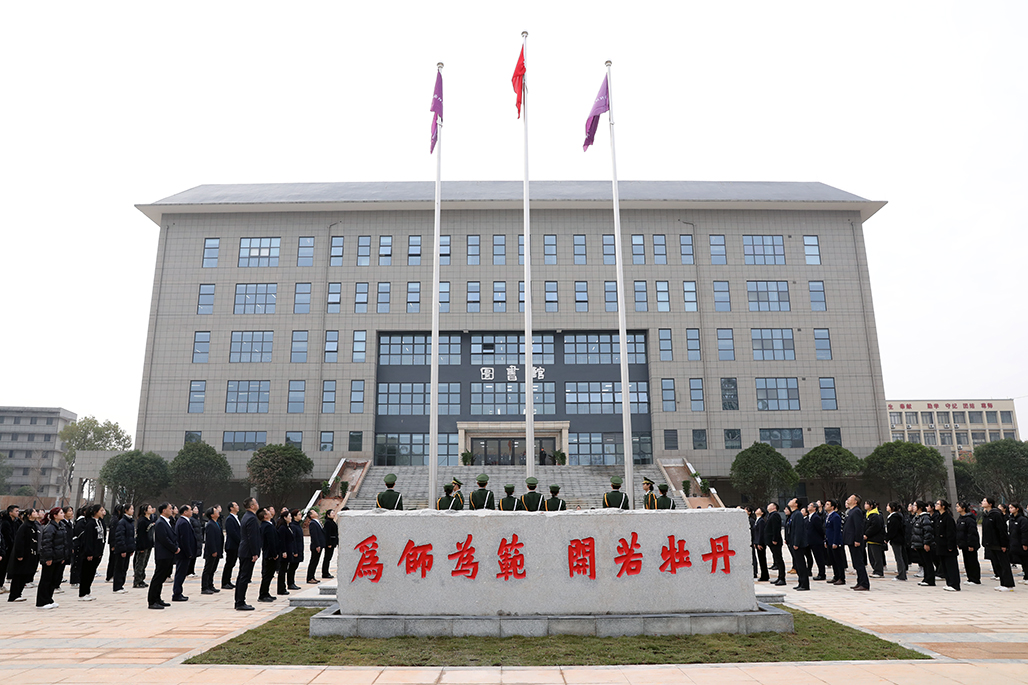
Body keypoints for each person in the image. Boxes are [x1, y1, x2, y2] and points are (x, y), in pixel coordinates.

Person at [36, 507, 68, 609]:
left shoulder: (61, 526)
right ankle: (41, 602)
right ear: (55, 515)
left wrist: (63, 556)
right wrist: (48, 558)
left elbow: (63, 543)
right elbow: (46, 544)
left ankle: (49, 599)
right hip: (50, 558)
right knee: (46, 579)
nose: (63, 514)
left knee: (54, 580)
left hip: (58, 558)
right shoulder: (50, 528)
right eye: (61, 513)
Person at [148, 502, 178, 610]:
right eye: (170, 508)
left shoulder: (168, 522)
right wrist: (174, 548)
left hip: (168, 554)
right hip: (163, 554)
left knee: (162, 578)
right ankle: (152, 600)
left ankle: (157, 598)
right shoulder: (160, 523)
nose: (172, 510)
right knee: (158, 577)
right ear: (164, 511)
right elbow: (164, 539)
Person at [982, 496, 1015, 591]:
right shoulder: (986, 514)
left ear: (990, 503)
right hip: (990, 544)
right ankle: (1003, 583)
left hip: (999, 544)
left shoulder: (996, 514)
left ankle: (1008, 584)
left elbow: (1002, 530)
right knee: (997, 564)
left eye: (984, 501)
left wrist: (1004, 544)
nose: (982, 502)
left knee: (1004, 564)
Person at [234, 497, 261, 610]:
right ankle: (240, 602)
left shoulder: (247, 516)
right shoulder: (251, 518)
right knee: (244, 577)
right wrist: (255, 553)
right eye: (256, 503)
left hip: (244, 550)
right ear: (252, 506)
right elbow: (252, 537)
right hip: (248, 551)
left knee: (242, 576)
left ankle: (239, 601)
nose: (257, 504)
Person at [78, 504, 105, 601]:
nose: (103, 512)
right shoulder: (90, 524)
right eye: (101, 510)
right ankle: (82, 593)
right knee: (86, 573)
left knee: (91, 573)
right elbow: (88, 540)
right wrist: (89, 553)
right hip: (90, 553)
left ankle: (87, 592)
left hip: (97, 552)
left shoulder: (100, 522)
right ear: (95, 512)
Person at [843, 494, 869, 591]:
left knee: (859, 563)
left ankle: (864, 583)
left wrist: (857, 540)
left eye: (850, 498)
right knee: (856, 563)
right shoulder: (851, 511)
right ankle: (860, 581)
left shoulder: (857, 511)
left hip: (855, 541)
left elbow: (859, 527)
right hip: (851, 540)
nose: (848, 499)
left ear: (855, 501)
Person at [934, 499, 960, 591]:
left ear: (943, 506)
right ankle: (949, 583)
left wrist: (950, 546)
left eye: (938, 504)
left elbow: (951, 534)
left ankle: (955, 584)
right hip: (941, 546)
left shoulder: (948, 518)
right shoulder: (939, 517)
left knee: (951, 566)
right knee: (945, 566)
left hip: (947, 546)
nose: (935, 505)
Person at [172, 504, 195, 601]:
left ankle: (178, 592)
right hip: (183, 553)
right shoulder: (184, 522)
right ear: (185, 512)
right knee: (180, 573)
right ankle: (177, 593)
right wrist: (189, 552)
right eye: (190, 510)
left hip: (183, 553)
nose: (192, 511)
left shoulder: (183, 521)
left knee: (181, 572)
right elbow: (185, 540)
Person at [112, 503, 136, 593]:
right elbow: (120, 536)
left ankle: (121, 585)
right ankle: (117, 586)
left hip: (128, 549)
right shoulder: (122, 522)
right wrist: (122, 549)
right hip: (122, 550)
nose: (133, 510)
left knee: (124, 568)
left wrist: (131, 548)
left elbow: (131, 537)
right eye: (131, 509)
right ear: (125, 510)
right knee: (119, 568)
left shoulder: (130, 521)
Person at [955, 501, 981, 584]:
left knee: (972, 561)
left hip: (970, 544)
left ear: (963, 508)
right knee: (967, 561)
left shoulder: (969, 519)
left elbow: (972, 533)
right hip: (963, 544)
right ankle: (970, 578)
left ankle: (975, 579)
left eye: (958, 506)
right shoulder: (960, 518)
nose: (956, 508)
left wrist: (971, 544)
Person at [911, 501, 936, 587]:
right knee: (924, 562)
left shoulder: (925, 517)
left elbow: (928, 531)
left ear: (920, 507)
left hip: (924, 544)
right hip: (919, 544)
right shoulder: (917, 517)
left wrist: (927, 543)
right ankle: (926, 578)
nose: (913, 507)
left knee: (928, 562)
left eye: (914, 506)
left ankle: (930, 579)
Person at [787, 498, 809, 591]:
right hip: (793, 543)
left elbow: (798, 530)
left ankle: (804, 584)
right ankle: (801, 582)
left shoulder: (798, 514)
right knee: (798, 564)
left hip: (798, 544)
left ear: (796, 504)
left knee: (801, 564)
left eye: (793, 500)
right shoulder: (793, 514)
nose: (790, 501)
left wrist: (796, 543)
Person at [259, 508, 279, 602]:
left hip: (269, 553)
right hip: (270, 554)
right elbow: (271, 541)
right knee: (267, 575)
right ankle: (263, 595)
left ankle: (266, 592)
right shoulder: (267, 526)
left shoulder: (268, 524)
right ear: (265, 516)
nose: (270, 513)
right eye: (267, 512)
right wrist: (274, 554)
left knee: (269, 575)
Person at [201, 507, 223, 594]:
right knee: (208, 569)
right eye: (216, 511)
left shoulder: (216, 523)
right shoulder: (210, 524)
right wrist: (213, 550)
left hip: (217, 549)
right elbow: (210, 539)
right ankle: (205, 587)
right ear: (212, 515)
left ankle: (210, 585)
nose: (218, 512)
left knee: (213, 569)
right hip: (211, 551)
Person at [133, 504, 155, 588]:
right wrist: (140, 547)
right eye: (149, 508)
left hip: (148, 545)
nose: (151, 509)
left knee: (144, 563)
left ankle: (141, 579)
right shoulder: (142, 521)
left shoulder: (149, 519)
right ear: (145, 511)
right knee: (140, 563)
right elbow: (140, 535)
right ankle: (137, 581)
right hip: (143, 546)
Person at [885, 502, 907, 581]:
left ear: (893, 508)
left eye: (888, 506)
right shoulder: (894, 517)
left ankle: (901, 575)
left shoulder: (894, 517)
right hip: (897, 539)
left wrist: (887, 538)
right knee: (899, 557)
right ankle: (902, 574)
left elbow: (892, 530)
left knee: (899, 557)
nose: (886, 507)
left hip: (897, 540)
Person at [824, 500, 845, 584]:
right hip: (829, 541)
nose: (826, 506)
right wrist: (826, 540)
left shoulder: (835, 516)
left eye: (828, 504)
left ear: (832, 507)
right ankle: (836, 576)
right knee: (833, 560)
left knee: (838, 560)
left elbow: (837, 530)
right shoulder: (828, 516)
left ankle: (841, 577)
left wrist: (835, 542)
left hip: (835, 541)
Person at [863, 499, 886, 578]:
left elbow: (875, 527)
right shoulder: (868, 514)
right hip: (870, 540)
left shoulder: (875, 515)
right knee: (871, 556)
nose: (865, 505)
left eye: (867, 504)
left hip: (875, 539)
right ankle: (875, 570)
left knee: (877, 556)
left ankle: (879, 571)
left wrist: (867, 534)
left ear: (871, 506)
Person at [765, 502, 785, 586]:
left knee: (779, 559)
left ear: (774, 507)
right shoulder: (770, 515)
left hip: (775, 541)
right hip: (771, 541)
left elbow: (776, 528)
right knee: (777, 560)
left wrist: (775, 539)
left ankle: (782, 578)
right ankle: (779, 577)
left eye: (770, 505)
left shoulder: (775, 515)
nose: (768, 506)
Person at [221, 501, 240, 590]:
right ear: (231, 508)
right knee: (229, 564)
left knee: (232, 564)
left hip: (235, 545)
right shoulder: (230, 519)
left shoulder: (236, 518)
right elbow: (232, 533)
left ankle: (228, 581)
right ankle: (225, 582)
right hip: (232, 545)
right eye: (235, 505)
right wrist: (240, 541)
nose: (238, 506)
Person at [0, 506, 18, 595]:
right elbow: (6, 537)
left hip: (10, 548)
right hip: (6, 548)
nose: (18, 513)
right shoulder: (5, 523)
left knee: (4, 568)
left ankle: (1, 585)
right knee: (2, 567)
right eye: (16, 511)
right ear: (10, 512)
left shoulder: (14, 522)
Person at [1008, 502, 1028, 584]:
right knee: (1022, 561)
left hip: (1021, 543)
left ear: (1017, 509)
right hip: (1014, 542)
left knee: (1026, 560)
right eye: (1009, 508)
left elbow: (1025, 532)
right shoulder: (1011, 519)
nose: (1010, 509)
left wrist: (1025, 543)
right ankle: (1026, 576)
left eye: (1012, 507)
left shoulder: (1023, 520)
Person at [276, 511, 293, 596]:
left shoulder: (287, 527)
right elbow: (281, 541)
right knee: (282, 570)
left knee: (284, 569)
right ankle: (281, 588)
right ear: (285, 517)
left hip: (288, 550)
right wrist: (283, 551)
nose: (291, 518)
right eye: (289, 516)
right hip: (284, 552)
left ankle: (283, 587)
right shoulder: (282, 528)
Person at [807, 502, 826, 580]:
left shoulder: (815, 517)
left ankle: (822, 574)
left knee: (819, 558)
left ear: (814, 508)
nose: (808, 507)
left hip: (816, 541)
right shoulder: (809, 517)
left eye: (810, 505)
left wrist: (821, 539)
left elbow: (820, 529)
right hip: (810, 541)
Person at [306, 509, 325, 584]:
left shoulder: (317, 522)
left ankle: (312, 577)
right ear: (311, 515)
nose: (316, 512)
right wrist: (317, 545)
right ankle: (310, 577)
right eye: (313, 512)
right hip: (316, 546)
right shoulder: (312, 523)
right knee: (313, 561)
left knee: (316, 561)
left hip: (320, 544)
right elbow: (314, 535)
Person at [288, 508, 303, 590]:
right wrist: (295, 551)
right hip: (295, 549)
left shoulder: (297, 525)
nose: (301, 516)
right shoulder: (293, 526)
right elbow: (293, 539)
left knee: (294, 567)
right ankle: (290, 583)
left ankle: (292, 582)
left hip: (299, 548)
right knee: (292, 567)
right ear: (294, 516)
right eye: (299, 514)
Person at [753, 507, 769, 581]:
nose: (757, 510)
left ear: (762, 513)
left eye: (759, 509)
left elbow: (761, 533)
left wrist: (759, 543)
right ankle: (764, 575)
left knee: (762, 559)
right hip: (757, 543)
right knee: (761, 559)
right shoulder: (757, 520)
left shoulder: (761, 521)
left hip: (761, 543)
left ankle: (765, 576)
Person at [322, 509, 338, 579]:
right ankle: (325, 572)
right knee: (327, 558)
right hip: (330, 543)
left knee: (328, 558)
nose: (333, 514)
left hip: (333, 542)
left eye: (334, 513)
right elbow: (327, 534)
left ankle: (326, 572)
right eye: (332, 513)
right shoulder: (328, 522)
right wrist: (329, 543)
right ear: (328, 515)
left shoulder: (332, 522)